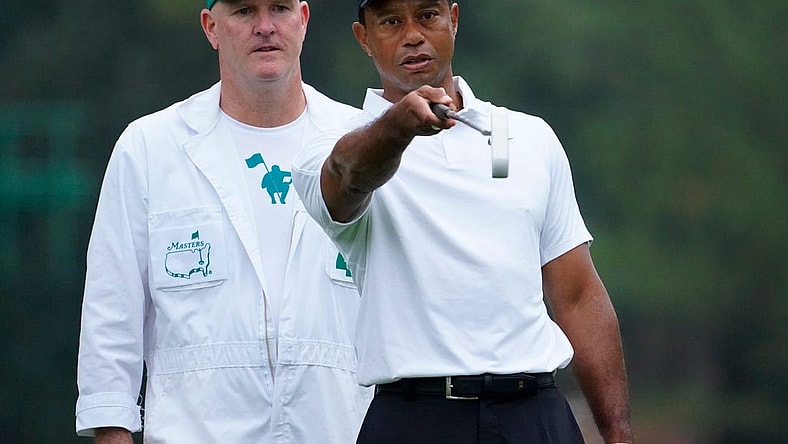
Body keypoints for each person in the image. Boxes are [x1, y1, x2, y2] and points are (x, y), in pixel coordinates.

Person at [291, 1, 633, 443]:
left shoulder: (530, 137)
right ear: (364, 38)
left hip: (534, 414)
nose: (412, 35)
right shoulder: (333, 145)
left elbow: (578, 295)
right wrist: (398, 127)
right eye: (391, 22)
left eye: (427, 15)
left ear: (453, 19)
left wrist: (618, 434)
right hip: (416, 418)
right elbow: (347, 177)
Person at [75, 1, 372, 442]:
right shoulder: (151, 148)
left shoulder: (366, 143)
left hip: (340, 428)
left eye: (280, 8)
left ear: (304, 20)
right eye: (244, 11)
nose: (265, 27)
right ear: (211, 27)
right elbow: (110, 318)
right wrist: (111, 430)